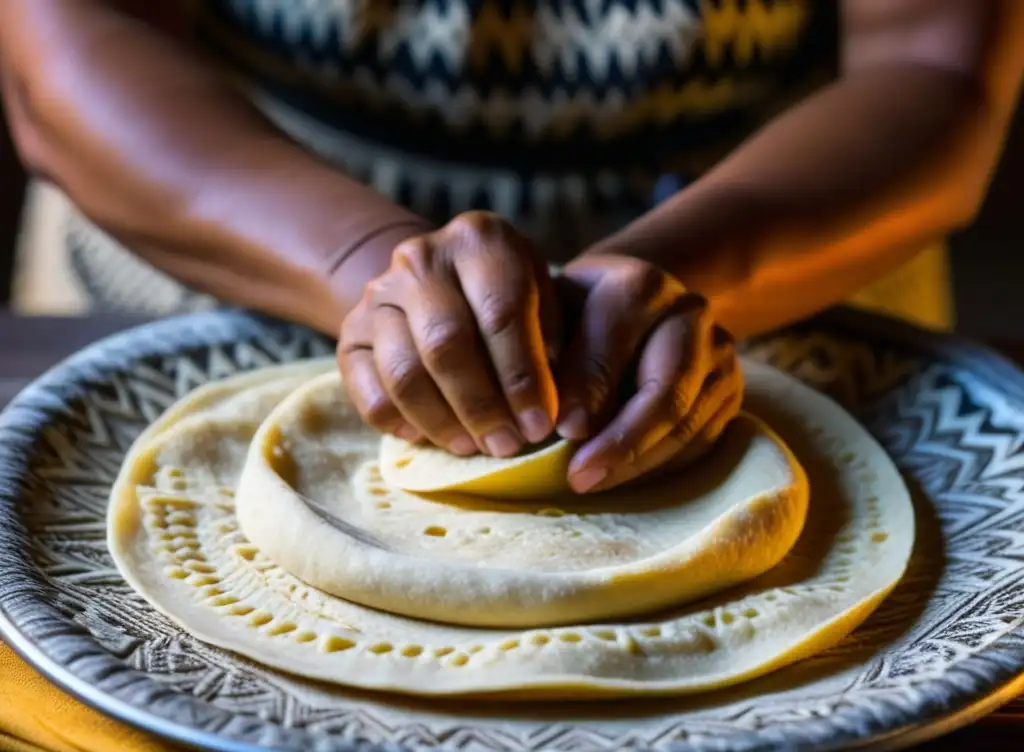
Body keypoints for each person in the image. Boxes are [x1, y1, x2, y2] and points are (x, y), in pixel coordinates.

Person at [0, 0, 1021, 495]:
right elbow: (68, 39)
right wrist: (372, 271)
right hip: (213, 273)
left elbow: (930, 57)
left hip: (775, 297)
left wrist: (680, 280)